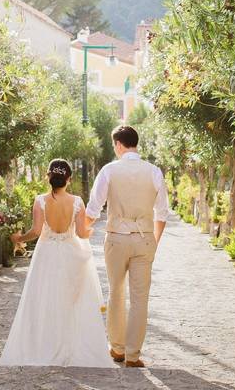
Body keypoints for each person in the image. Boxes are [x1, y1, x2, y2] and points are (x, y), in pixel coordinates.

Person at [0, 159, 113, 367]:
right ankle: (69, 345)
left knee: (44, 298)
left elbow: (35, 232)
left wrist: (18, 239)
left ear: (48, 177)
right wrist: (90, 231)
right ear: (69, 179)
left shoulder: (40, 200)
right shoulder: (77, 201)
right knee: (71, 300)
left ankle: (45, 345)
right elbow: (81, 233)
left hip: (46, 254)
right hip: (71, 253)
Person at [85, 125, 170, 368]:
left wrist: (78, 231)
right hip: (144, 239)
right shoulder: (154, 171)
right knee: (140, 298)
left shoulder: (109, 170)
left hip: (116, 239)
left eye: (114, 145)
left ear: (119, 144)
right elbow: (162, 213)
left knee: (116, 293)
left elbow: (94, 208)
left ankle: (117, 349)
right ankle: (133, 355)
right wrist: (153, 241)